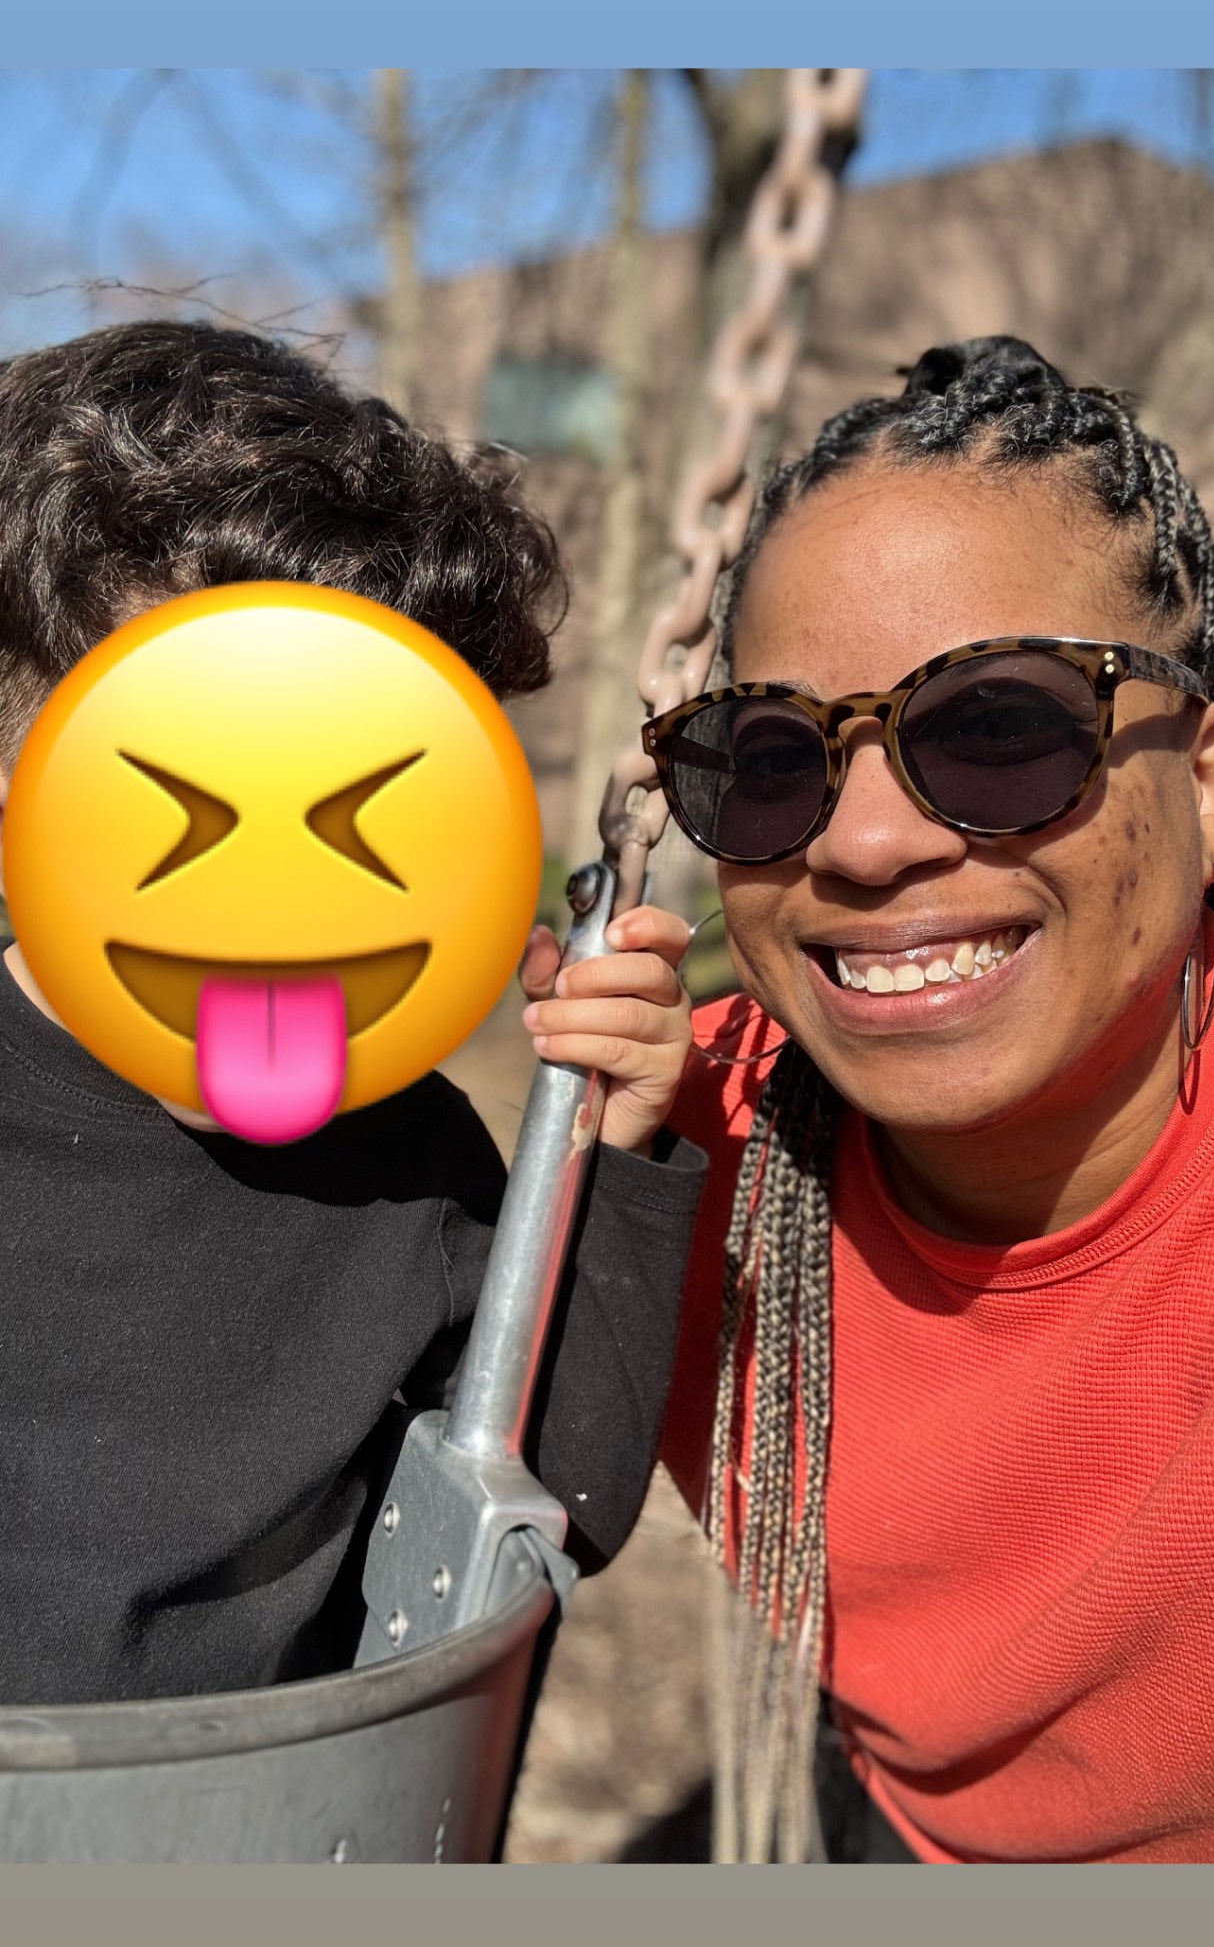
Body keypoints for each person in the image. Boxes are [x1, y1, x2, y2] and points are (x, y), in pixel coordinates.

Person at [0, 319, 700, 1707]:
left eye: (378, 813)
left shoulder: (411, 1163)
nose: (275, 898)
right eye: (179, 797)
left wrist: (603, 1157)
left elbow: (538, 1504)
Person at [643, 336, 1214, 1864]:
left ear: (1208, 779)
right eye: (770, 759)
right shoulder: (667, 1145)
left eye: (999, 725)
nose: (867, 843)